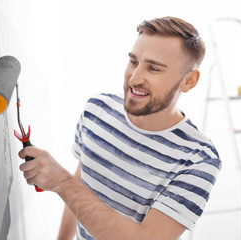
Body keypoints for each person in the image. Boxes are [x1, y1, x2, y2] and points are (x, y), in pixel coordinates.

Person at [19, 16, 221, 240]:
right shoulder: (96, 110)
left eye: (153, 68)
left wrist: (61, 183)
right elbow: (80, 187)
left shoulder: (199, 159)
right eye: (134, 62)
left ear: (189, 81)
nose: (134, 79)